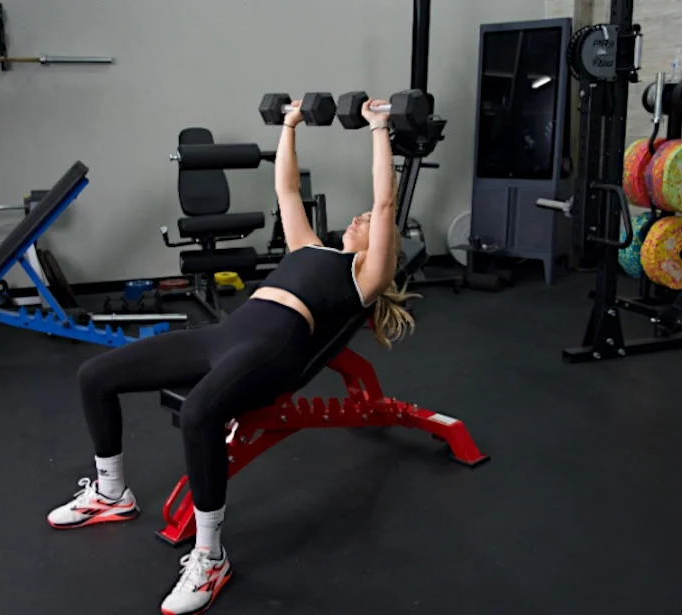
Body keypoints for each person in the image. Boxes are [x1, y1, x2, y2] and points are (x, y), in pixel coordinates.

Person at [45, 99, 418, 615]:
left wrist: (380, 129)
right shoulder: (307, 247)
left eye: (369, 223)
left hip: (275, 348)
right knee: (95, 374)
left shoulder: (364, 278)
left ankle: (211, 555)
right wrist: (290, 125)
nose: (359, 218)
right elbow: (286, 189)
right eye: (357, 217)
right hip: (224, 334)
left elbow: (384, 205)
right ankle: (112, 494)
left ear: (383, 245)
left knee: (200, 412)